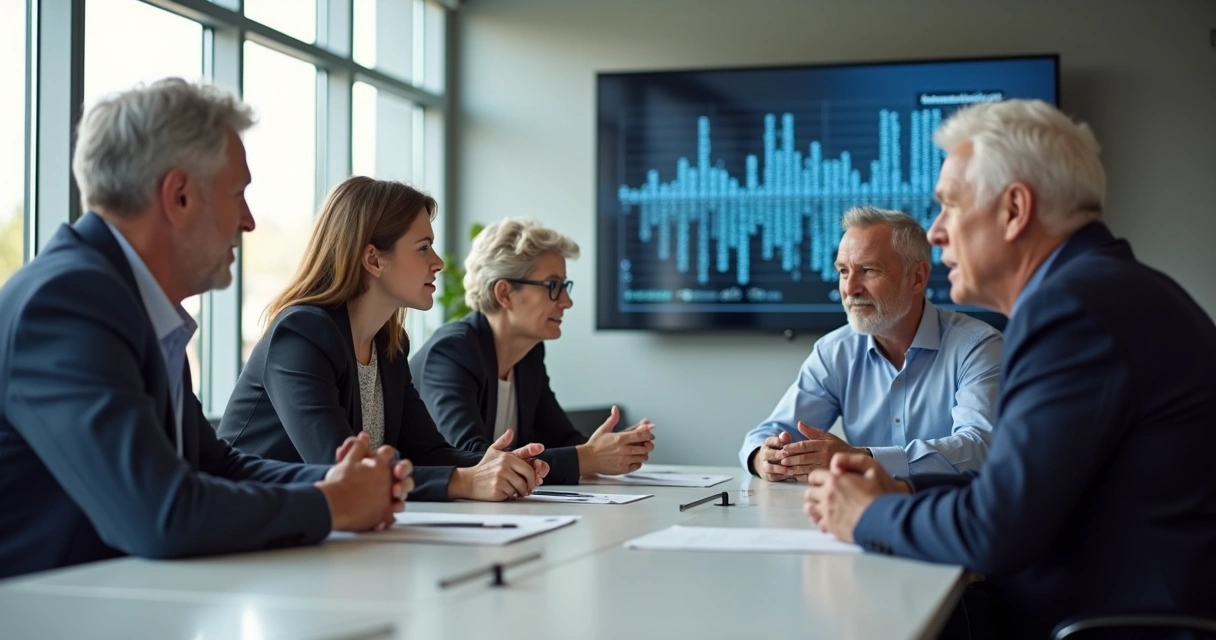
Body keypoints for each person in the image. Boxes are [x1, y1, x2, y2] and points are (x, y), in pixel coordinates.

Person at [805, 99, 1216, 638]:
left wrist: (865, 515)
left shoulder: (1068, 309)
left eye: (950, 204)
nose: (935, 231)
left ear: (1015, 209)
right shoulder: (1106, 289)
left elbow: (995, 528)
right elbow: (1022, 495)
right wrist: (901, 495)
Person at [0, 79, 411, 580]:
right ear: (179, 197)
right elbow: (161, 512)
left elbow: (217, 465)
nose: (250, 221)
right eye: (237, 194)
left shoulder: (134, 305)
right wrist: (334, 504)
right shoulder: (67, 303)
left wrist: (343, 480)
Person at [219, 177, 548, 501]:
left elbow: (427, 452)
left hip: (327, 531)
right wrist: (463, 481)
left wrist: (494, 465)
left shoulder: (389, 345)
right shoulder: (301, 334)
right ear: (373, 259)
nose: (438, 262)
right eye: (423, 248)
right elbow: (339, 467)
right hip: (248, 530)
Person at [740, 207, 1002, 482]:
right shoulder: (834, 352)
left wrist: (865, 459)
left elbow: (979, 446)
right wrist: (763, 457)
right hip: (861, 513)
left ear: (917, 278)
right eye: (843, 271)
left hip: (954, 515)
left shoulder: (978, 347)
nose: (850, 288)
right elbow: (772, 431)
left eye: (868, 270)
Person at [410, 218, 655, 484]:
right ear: (504, 293)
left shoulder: (529, 354)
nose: (567, 301)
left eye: (564, 285)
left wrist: (614, 446)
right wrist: (590, 457)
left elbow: (562, 439)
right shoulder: (451, 352)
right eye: (552, 286)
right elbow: (473, 459)